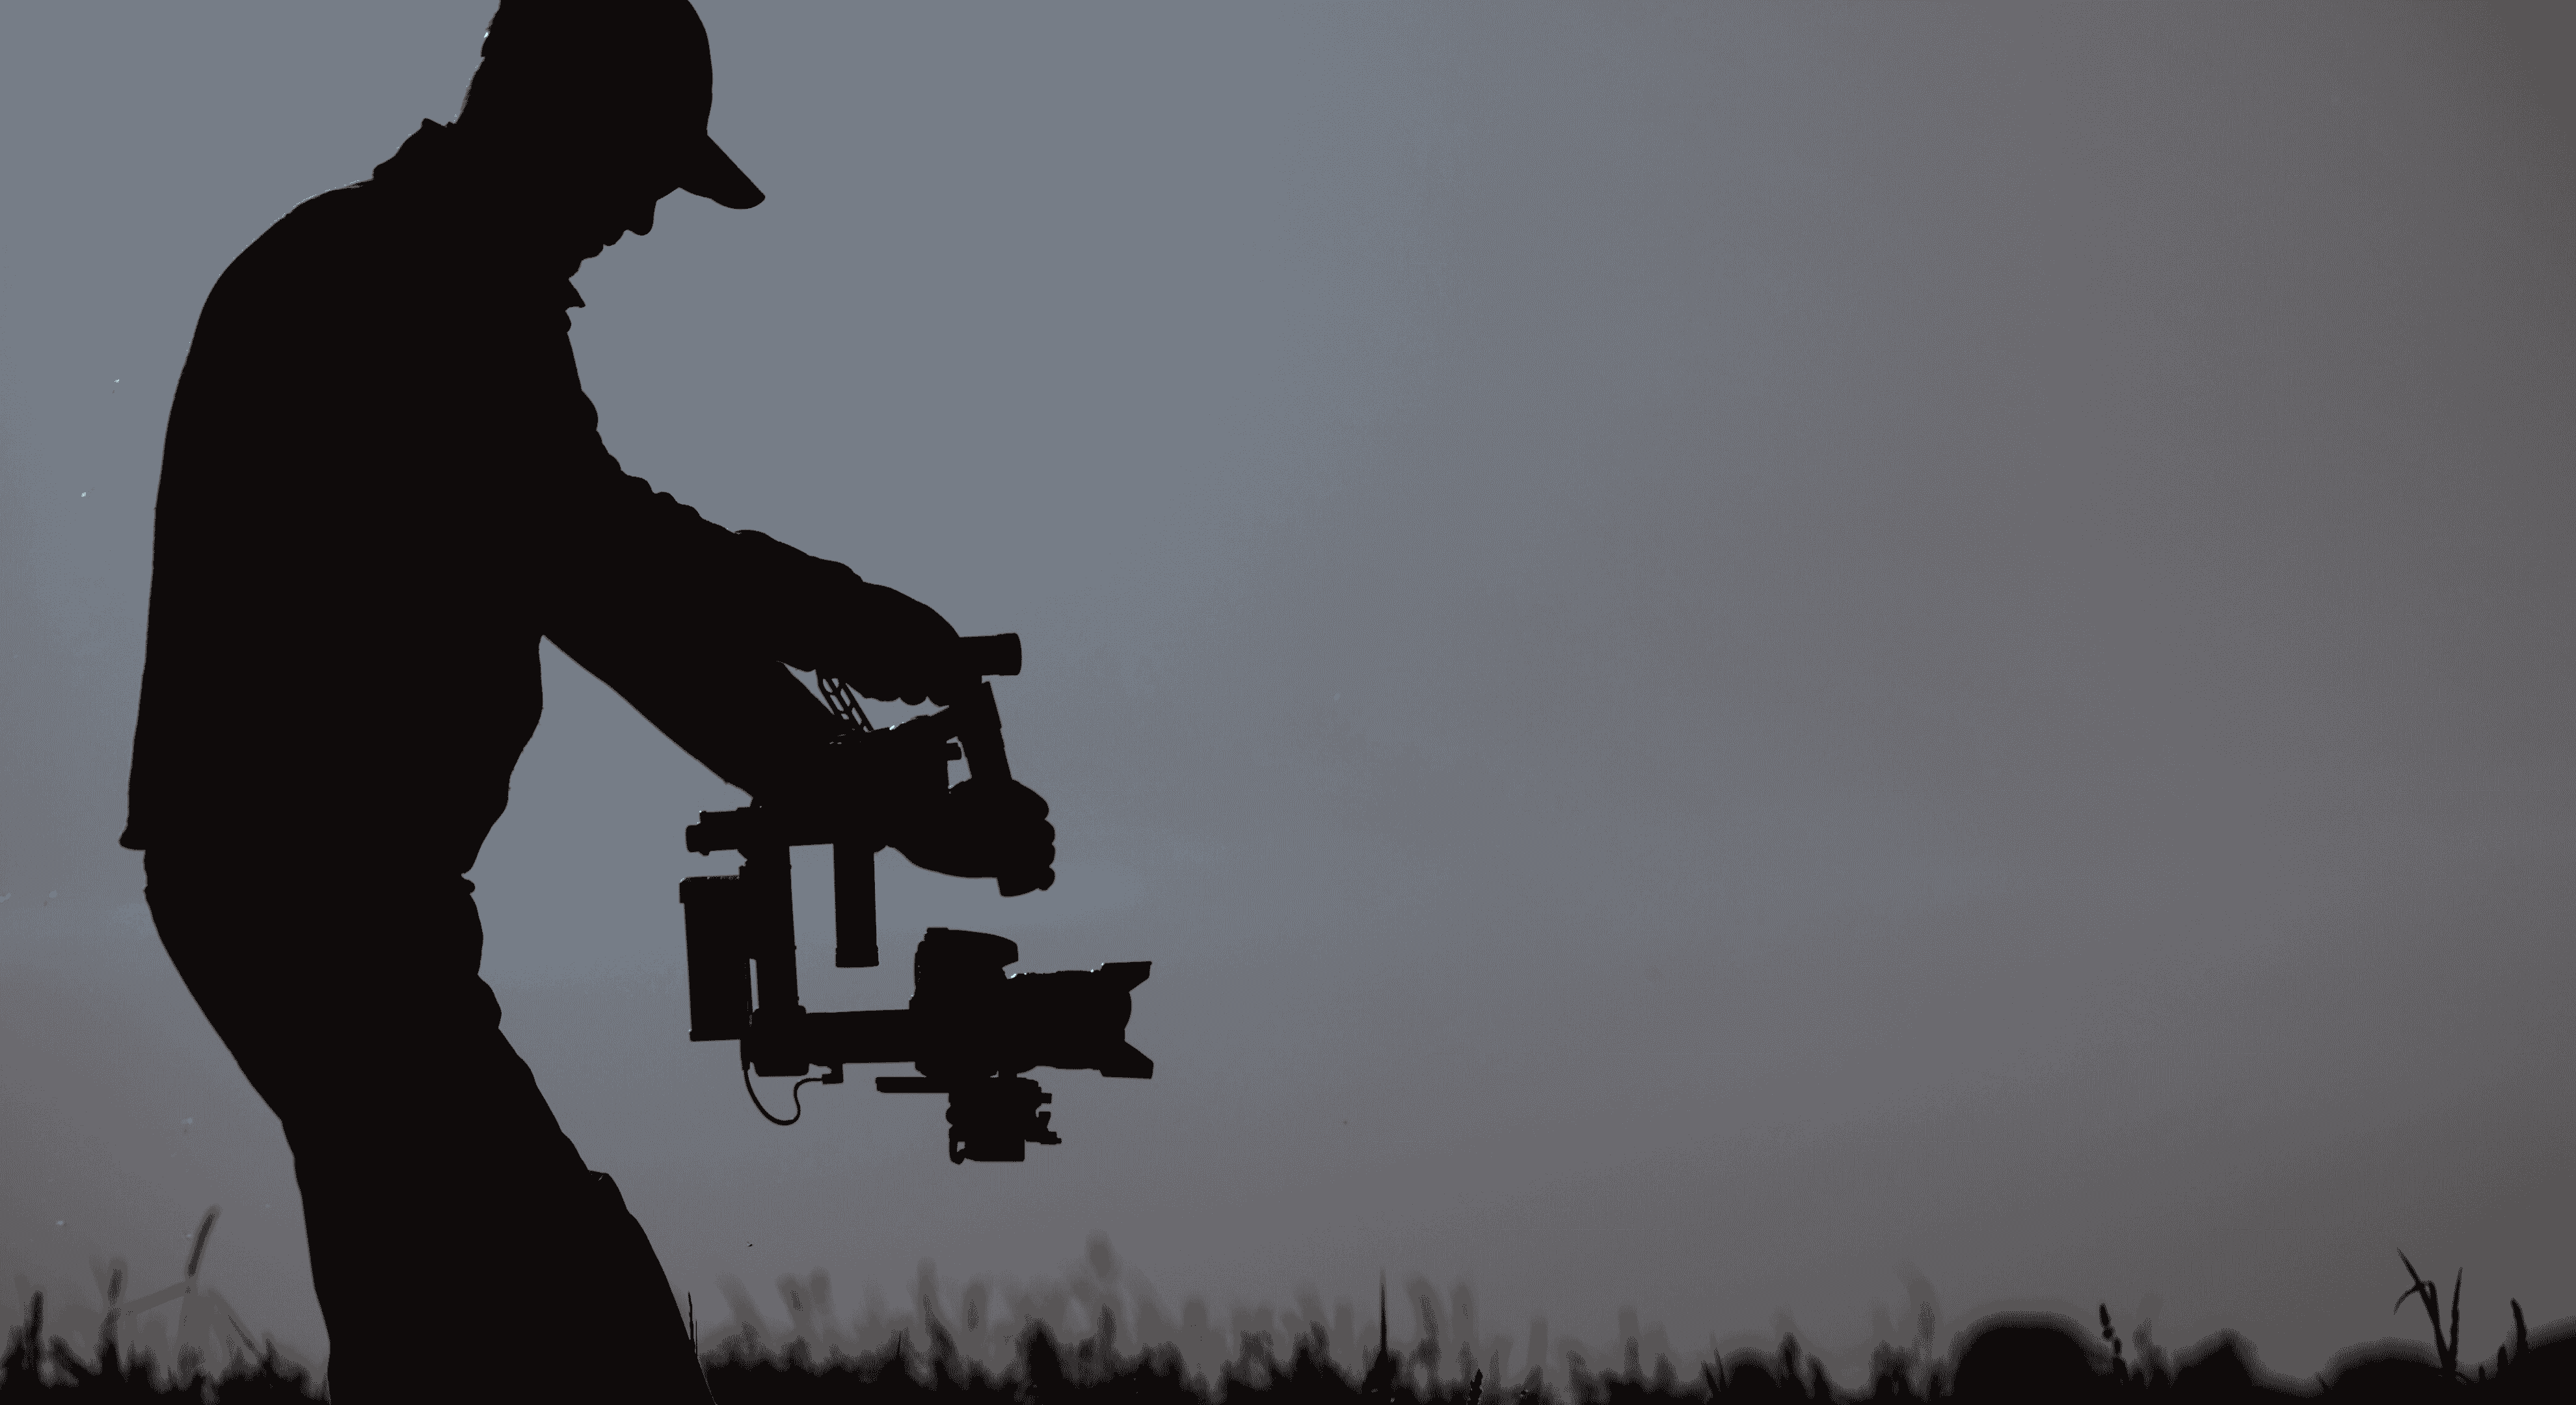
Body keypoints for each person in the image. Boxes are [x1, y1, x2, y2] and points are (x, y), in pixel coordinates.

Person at [119, 3, 1054, 1400]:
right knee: (585, 1321)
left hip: (306, 897)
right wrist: (866, 734)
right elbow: (612, 585)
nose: (644, 217)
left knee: (428, 1317)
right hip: (318, 900)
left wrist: (849, 677)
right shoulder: (418, 290)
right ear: (565, 125)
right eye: (642, 171)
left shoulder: (389, 268)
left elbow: (605, 556)